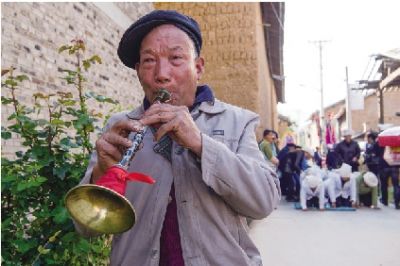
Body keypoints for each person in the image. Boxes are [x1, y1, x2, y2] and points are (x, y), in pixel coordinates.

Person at [73, 10, 281, 265]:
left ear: (198, 67)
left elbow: (264, 202)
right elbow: (87, 227)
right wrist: (103, 174)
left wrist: (200, 144)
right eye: (149, 61)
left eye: (176, 58)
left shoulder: (236, 121)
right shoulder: (119, 127)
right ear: (138, 71)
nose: (161, 74)